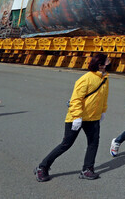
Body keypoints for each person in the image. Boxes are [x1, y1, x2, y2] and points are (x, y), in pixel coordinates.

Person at [34, 53, 111, 182]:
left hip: (93, 118)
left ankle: (87, 169)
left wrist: (102, 112)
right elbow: (76, 99)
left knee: (93, 143)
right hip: (77, 117)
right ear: (100, 64)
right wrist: (76, 116)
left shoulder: (105, 78)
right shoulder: (86, 78)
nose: (109, 61)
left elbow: (103, 97)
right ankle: (42, 167)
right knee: (66, 144)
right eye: (107, 60)